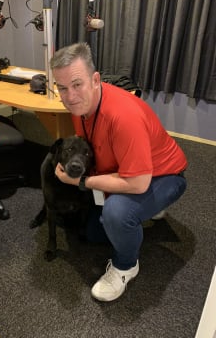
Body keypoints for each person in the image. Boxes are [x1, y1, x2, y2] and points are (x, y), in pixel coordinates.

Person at [50, 42, 187, 302]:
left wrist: (82, 182)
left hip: (163, 175)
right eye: (62, 87)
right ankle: (144, 212)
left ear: (95, 79)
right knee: (94, 233)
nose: (70, 96)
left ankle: (126, 266)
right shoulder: (80, 107)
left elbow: (137, 183)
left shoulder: (124, 117)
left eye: (77, 84)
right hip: (129, 171)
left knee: (116, 214)